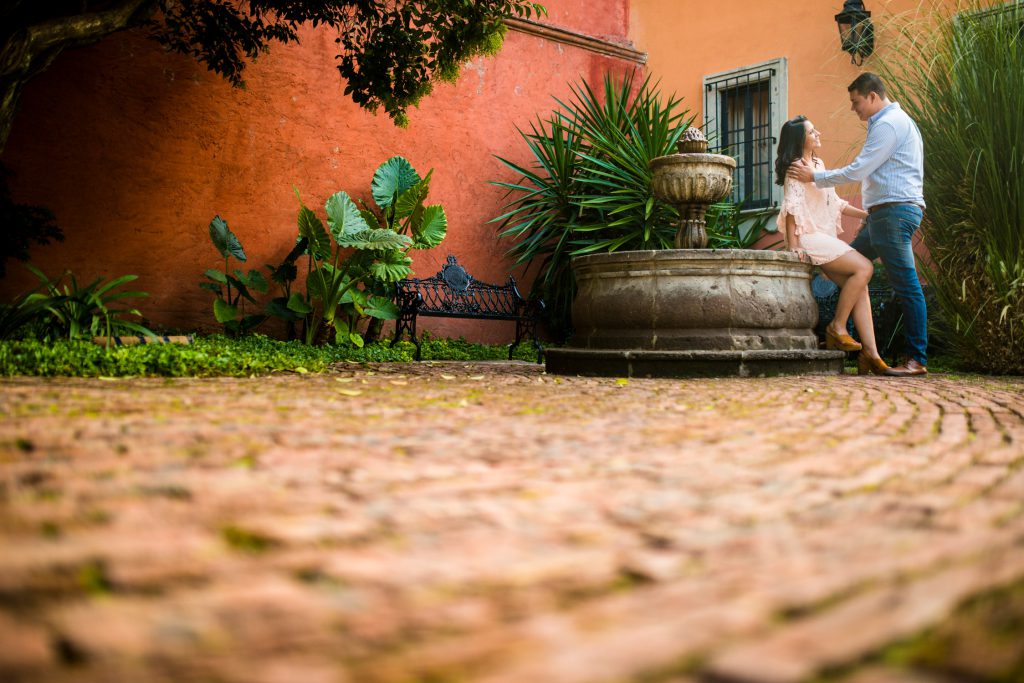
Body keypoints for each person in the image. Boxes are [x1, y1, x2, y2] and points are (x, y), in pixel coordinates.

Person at [788, 72, 927, 377]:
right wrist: (866, 215)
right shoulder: (889, 122)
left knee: (906, 286)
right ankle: (866, 352)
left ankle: (916, 358)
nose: (854, 109)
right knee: (850, 268)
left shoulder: (889, 124)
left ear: (873, 96)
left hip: (893, 215)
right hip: (882, 216)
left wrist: (816, 178)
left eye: (856, 102)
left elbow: (859, 170)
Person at [775, 116, 890, 376]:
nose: (818, 132)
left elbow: (835, 202)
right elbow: (792, 207)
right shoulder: (796, 167)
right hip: (808, 237)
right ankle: (837, 327)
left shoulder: (818, 164)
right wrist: (793, 245)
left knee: (860, 286)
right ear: (800, 139)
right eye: (812, 131)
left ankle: (870, 355)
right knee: (863, 268)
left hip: (823, 237)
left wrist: (866, 214)